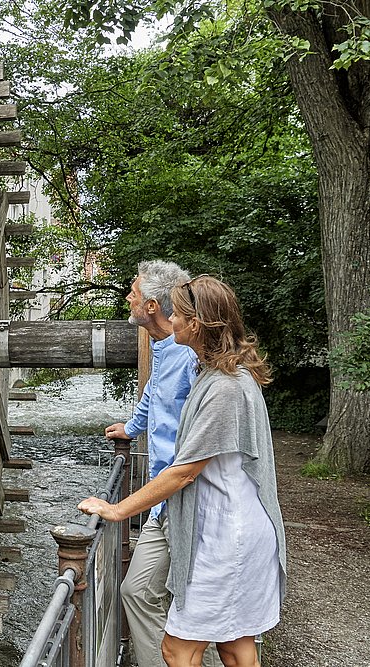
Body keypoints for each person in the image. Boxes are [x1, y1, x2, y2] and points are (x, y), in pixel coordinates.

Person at [80, 275, 286, 667]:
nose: (170, 320)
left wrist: (117, 510)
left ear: (197, 323)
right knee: (235, 646)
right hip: (230, 529)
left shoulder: (224, 387)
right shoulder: (222, 375)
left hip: (228, 539)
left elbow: (183, 472)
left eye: (178, 314)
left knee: (178, 649)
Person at [104, 261, 220, 667]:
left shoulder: (189, 355)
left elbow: (203, 429)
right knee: (138, 592)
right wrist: (132, 428)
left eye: (134, 293)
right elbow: (156, 394)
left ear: (151, 306)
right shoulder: (163, 347)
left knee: (190, 602)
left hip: (186, 496)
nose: (128, 298)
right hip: (162, 498)